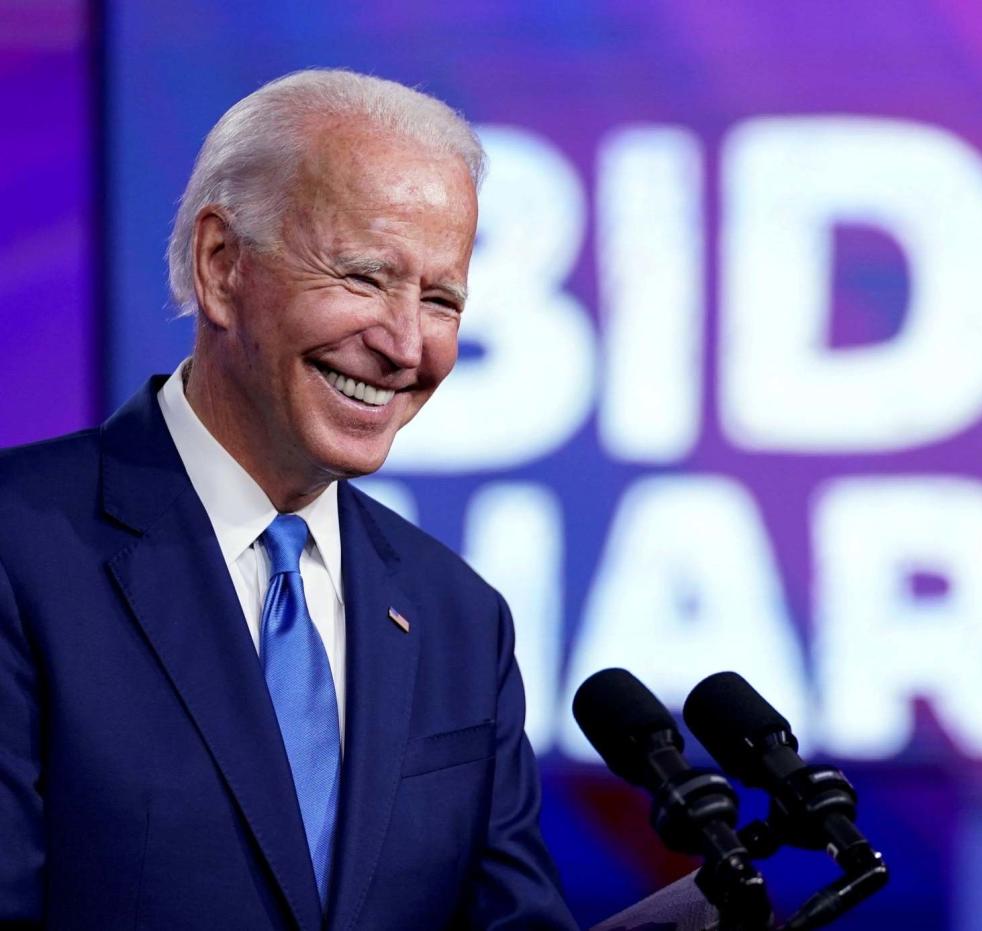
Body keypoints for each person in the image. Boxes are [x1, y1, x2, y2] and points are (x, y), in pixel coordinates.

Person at [0, 69, 577, 930]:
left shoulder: (459, 617)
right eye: (364, 277)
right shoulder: (21, 548)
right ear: (223, 266)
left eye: (442, 299)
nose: (404, 343)